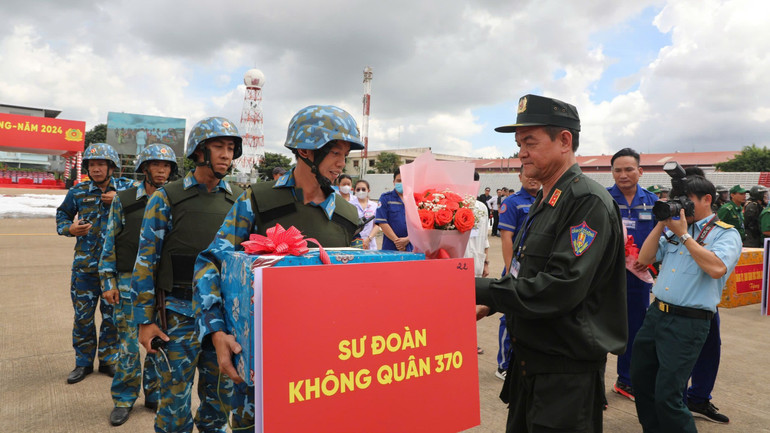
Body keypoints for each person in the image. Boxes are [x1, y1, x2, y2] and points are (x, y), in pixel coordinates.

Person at [194, 105, 365, 431]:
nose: (342, 164)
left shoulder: (347, 216)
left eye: (345, 155)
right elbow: (211, 262)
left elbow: (360, 283)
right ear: (305, 151)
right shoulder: (257, 201)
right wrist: (216, 331)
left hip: (325, 365)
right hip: (261, 361)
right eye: (335, 153)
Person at [475, 94, 627, 432]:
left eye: (530, 142)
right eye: (519, 144)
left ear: (564, 141)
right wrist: (494, 303)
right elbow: (526, 270)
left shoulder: (586, 201)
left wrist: (476, 288)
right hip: (531, 363)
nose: (521, 153)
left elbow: (559, 288)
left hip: (564, 373)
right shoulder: (548, 198)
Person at [132, 117, 243, 433]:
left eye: (231, 148)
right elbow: (146, 261)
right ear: (198, 152)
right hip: (176, 316)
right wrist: (144, 321)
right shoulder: (167, 197)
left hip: (222, 318)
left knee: (220, 404)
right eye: (218, 146)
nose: (226, 154)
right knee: (174, 409)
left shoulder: (238, 201)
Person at [631, 175, 741, 433]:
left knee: (668, 395)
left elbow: (716, 268)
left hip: (688, 322)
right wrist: (662, 223)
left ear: (707, 199)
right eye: (677, 201)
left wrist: (683, 235)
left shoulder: (725, 233)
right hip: (656, 315)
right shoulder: (674, 230)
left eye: (687, 200)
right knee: (643, 384)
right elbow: (644, 258)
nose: (681, 206)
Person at [98, 144, 176, 425]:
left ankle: (153, 394)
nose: (161, 171)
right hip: (128, 283)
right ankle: (123, 399)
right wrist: (108, 280)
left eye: (166, 166)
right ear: (144, 168)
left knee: (157, 343)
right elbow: (109, 241)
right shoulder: (125, 199)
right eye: (156, 165)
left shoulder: (174, 199)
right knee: (129, 346)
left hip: (161, 286)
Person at [56, 143, 137, 384]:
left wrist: (121, 200)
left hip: (114, 270)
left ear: (112, 167)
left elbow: (149, 204)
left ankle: (108, 360)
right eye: (92, 165)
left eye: (101, 164)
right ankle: (83, 363)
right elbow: (62, 215)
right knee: (83, 318)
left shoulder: (128, 189)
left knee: (112, 318)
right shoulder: (78, 191)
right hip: (85, 268)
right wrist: (69, 228)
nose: (96, 169)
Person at [606, 148, 659, 402]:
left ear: (640, 171)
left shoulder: (653, 202)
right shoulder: (603, 199)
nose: (623, 175)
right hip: (607, 276)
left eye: (629, 169)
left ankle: (626, 380)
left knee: (635, 329)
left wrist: (652, 260)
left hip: (638, 278)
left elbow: (662, 236)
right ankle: (592, 387)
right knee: (600, 327)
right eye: (617, 170)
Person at [494, 169, 541, 380]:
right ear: (520, 177)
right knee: (509, 317)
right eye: (527, 174)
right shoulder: (512, 202)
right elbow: (506, 238)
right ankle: (503, 365)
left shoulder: (547, 199)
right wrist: (510, 271)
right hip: (516, 268)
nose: (532, 178)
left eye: (536, 174)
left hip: (538, 269)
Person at [376, 168, 413, 252]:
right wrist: (398, 242)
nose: (401, 183)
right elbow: (382, 222)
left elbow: (420, 225)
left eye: (404, 181)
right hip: (390, 247)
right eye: (399, 181)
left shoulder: (415, 199)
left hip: (412, 246)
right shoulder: (386, 198)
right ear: (394, 182)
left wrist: (408, 239)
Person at [351, 179, 380, 250]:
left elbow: (377, 224)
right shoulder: (350, 205)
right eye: (358, 189)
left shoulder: (374, 205)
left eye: (363, 189)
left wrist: (368, 239)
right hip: (354, 242)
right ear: (354, 191)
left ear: (368, 190)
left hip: (370, 243)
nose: (361, 191)